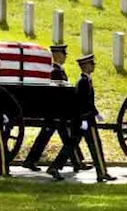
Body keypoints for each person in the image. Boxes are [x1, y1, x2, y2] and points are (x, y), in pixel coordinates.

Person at [47, 53, 114, 182]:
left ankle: (55, 167)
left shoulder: (86, 80)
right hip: (85, 120)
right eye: (91, 64)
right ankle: (101, 173)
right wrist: (90, 115)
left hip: (83, 119)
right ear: (86, 66)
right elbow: (82, 102)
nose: (93, 66)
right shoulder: (83, 81)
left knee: (72, 145)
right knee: (94, 145)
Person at [22, 44, 85, 172]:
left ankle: (31, 160)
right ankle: (76, 162)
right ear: (57, 55)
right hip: (56, 110)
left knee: (53, 135)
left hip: (56, 111)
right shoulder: (55, 71)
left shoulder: (57, 70)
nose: (65, 56)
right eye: (63, 54)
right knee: (67, 136)